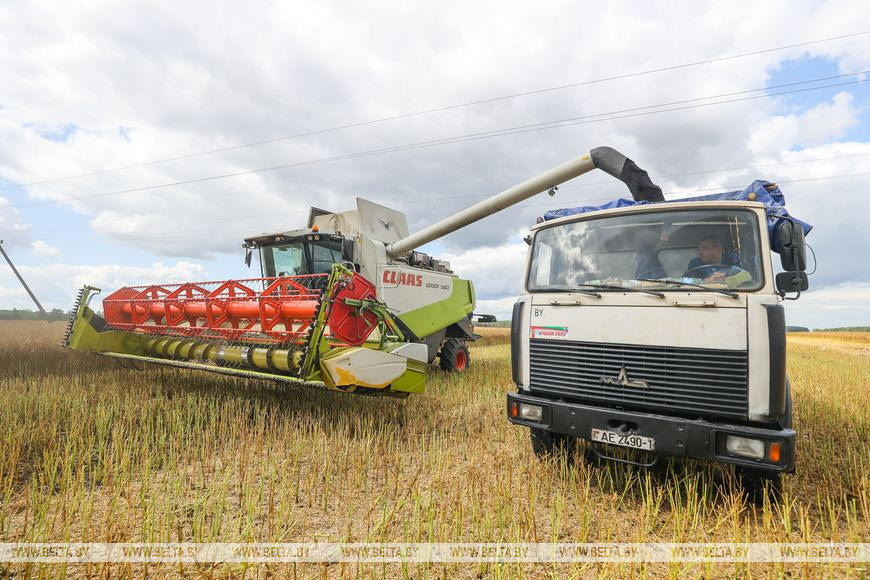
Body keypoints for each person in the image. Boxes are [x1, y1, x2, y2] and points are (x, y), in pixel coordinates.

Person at [684, 236, 749, 285]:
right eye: (699, 249)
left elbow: (746, 282)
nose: (700, 253)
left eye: (704, 248)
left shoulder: (732, 263)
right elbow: (685, 283)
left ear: (717, 248)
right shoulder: (695, 264)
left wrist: (727, 281)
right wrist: (705, 282)